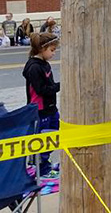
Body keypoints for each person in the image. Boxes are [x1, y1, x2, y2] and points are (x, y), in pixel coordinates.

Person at [23, 32, 61, 177]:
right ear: (41, 49)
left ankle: (44, 163)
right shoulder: (34, 67)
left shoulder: (45, 64)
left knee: (54, 134)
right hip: (40, 110)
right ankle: (42, 167)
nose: (54, 53)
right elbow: (41, 90)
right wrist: (59, 86)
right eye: (52, 50)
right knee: (42, 140)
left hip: (51, 108)